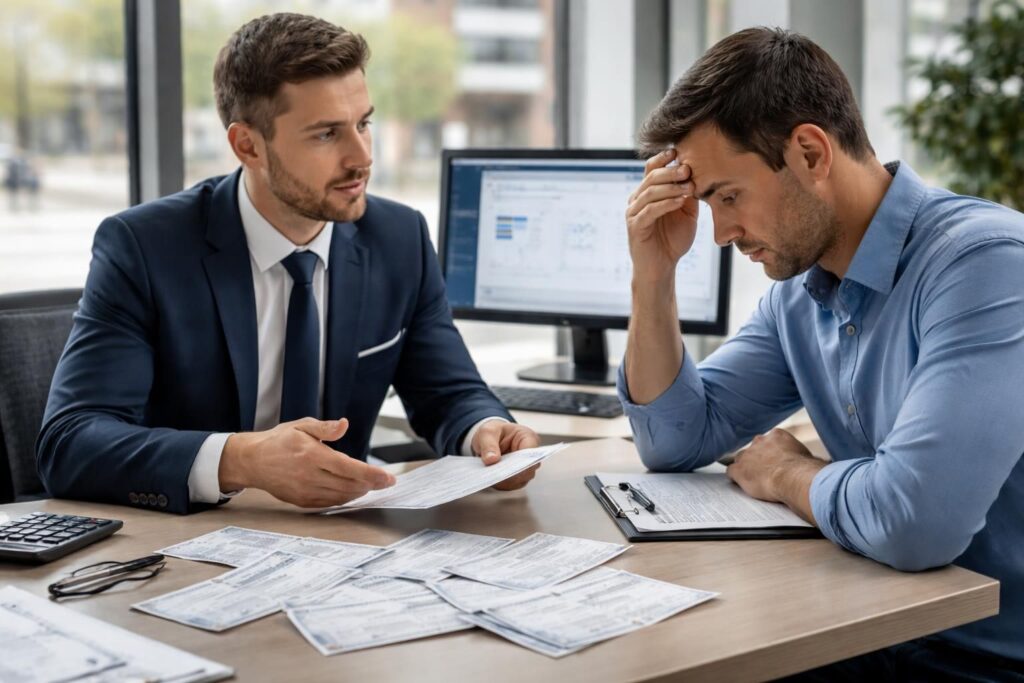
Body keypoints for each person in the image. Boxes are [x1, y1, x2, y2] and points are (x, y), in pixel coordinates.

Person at [622, 27, 1024, 680]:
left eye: (728, 196)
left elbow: (913, 522)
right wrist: (653, 273)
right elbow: (674, 438)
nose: (720, 233)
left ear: (810, 152)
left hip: (986, 660)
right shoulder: (800, 299)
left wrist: (787, 475)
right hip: (871, 634)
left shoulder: (987, 264)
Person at [37, 13, 540, 515]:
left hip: (346, 542)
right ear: (248, 145)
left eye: (364, 123)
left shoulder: (399, 237)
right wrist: (240, 459)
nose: (362, 156)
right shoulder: (145, 247)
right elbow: (70, 443)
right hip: (189, 541)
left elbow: (448, 392)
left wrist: (485, 432)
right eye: (326, 135)